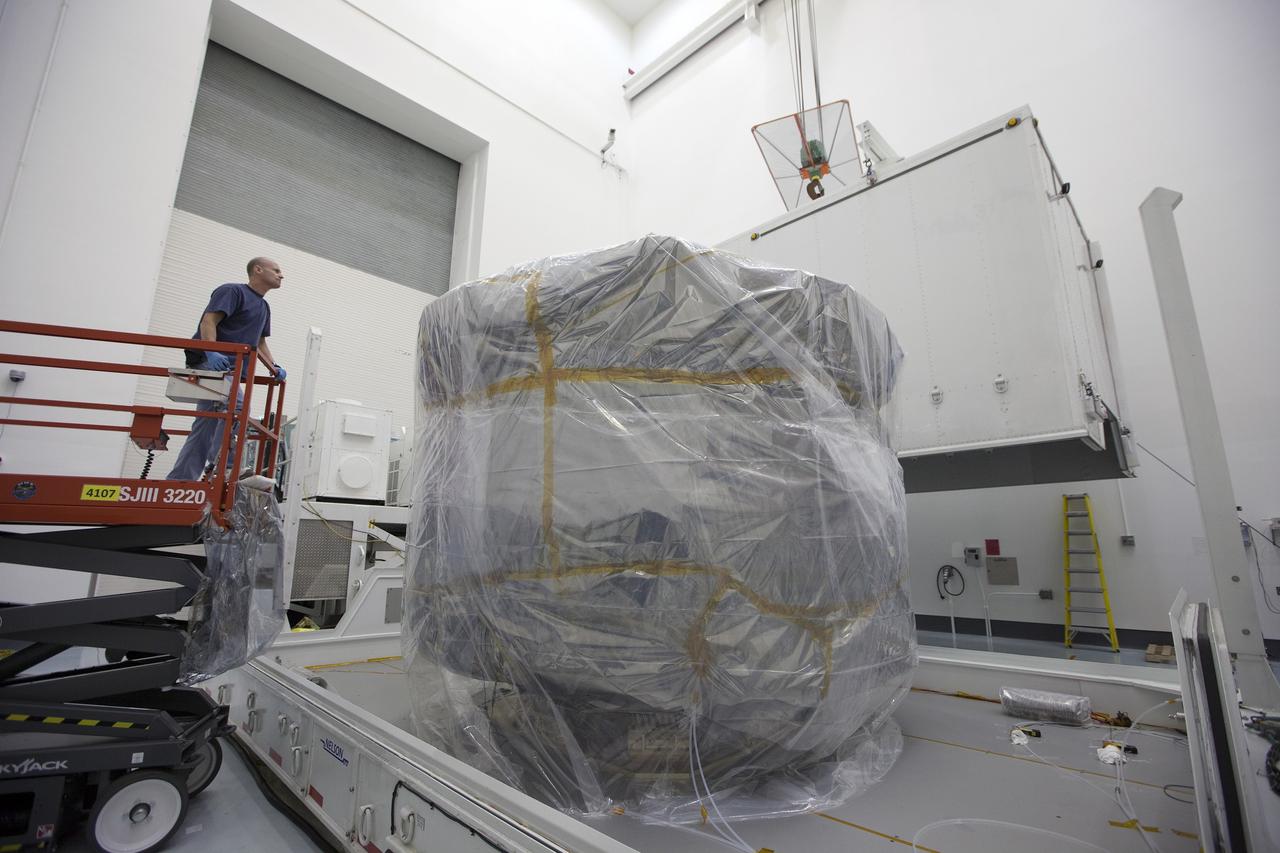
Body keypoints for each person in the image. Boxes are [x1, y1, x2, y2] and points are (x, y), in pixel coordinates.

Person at [167, 257, 287, 481]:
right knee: (237, 407)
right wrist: (211, 352)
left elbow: (259, 341)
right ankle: (225, 466)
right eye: (276, 270)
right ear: (258, 270)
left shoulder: (263, 307)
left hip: (229, 370)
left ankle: (180, 480)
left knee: (205, 426)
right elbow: (208, 321)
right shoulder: (232, 292)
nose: (281, 275)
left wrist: (274, 366)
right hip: (208, 362)